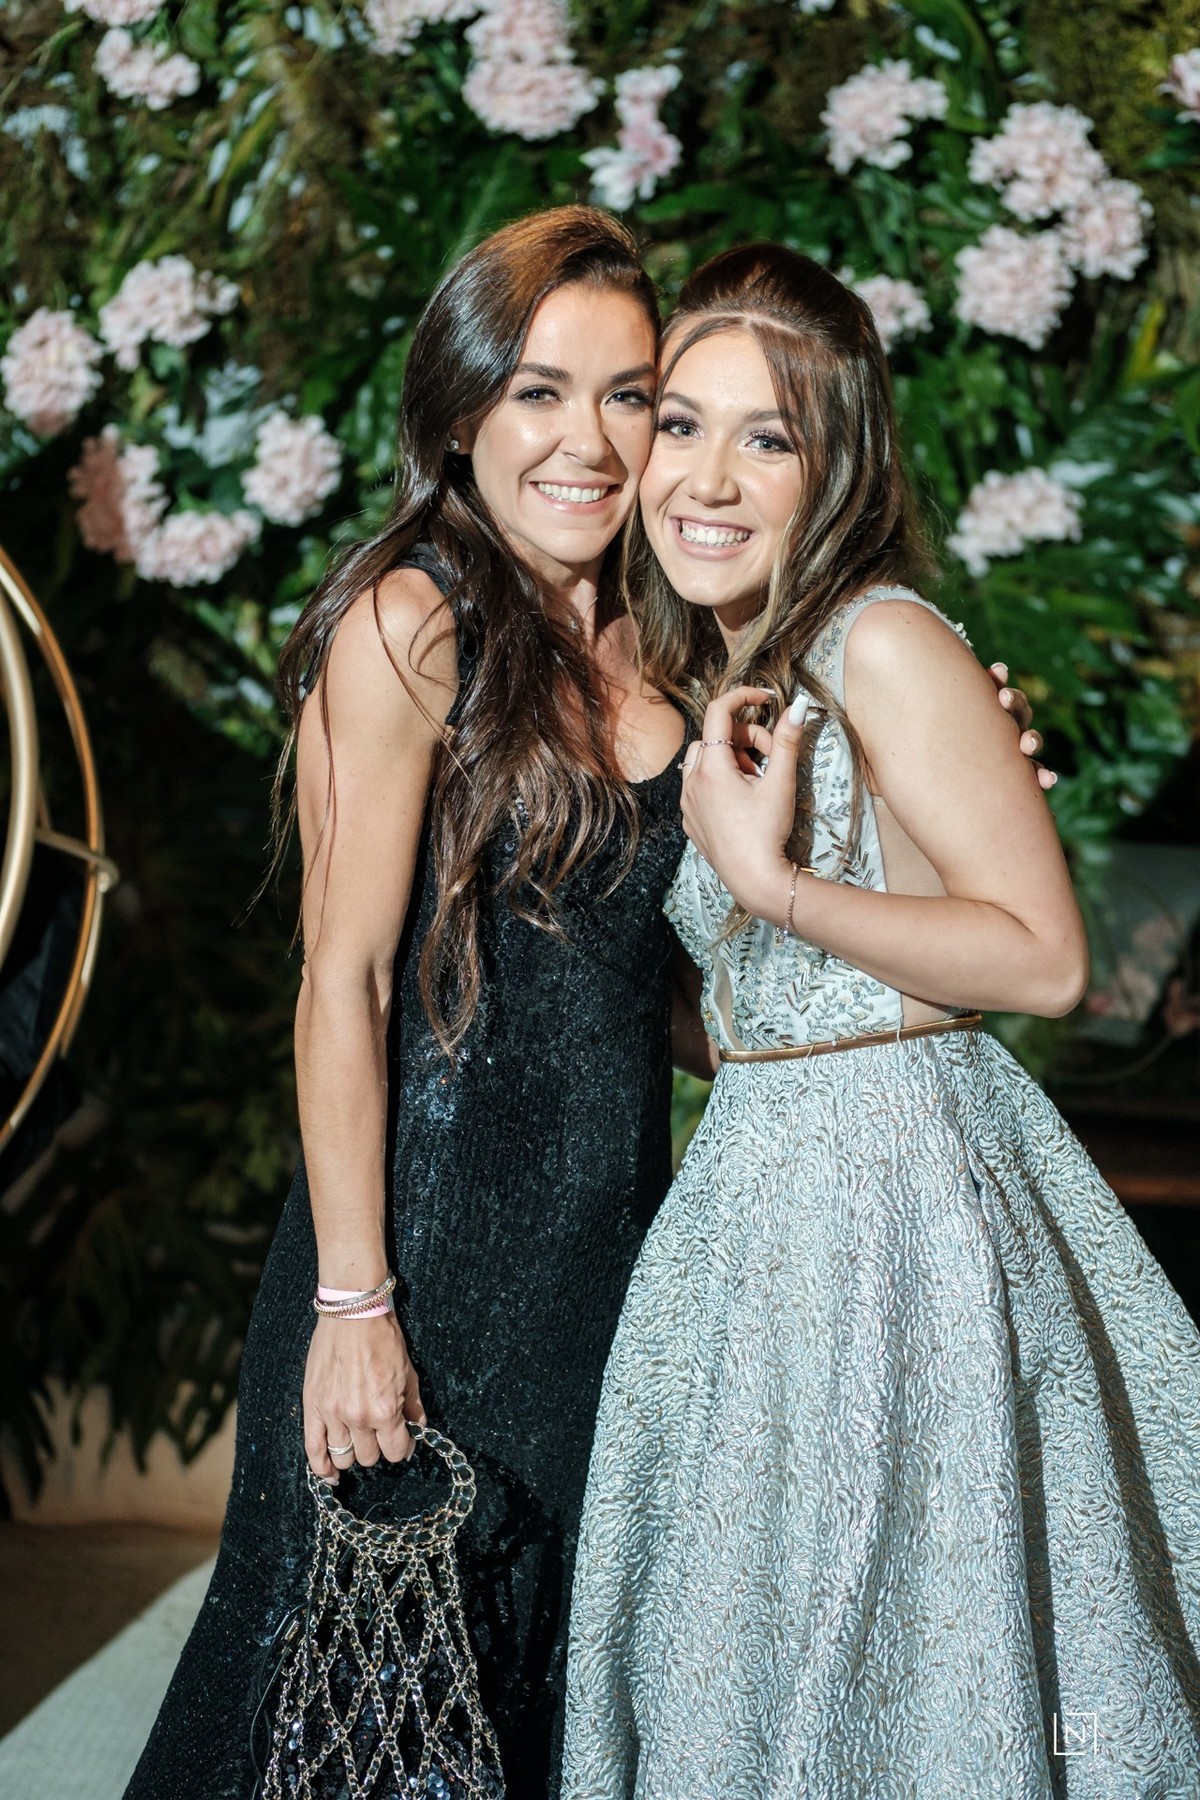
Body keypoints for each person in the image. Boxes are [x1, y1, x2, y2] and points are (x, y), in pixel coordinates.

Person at [122, 209, 1042, 1800]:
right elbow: (340, 982)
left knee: (542, 1705)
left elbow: (669, 997)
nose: (589, 441)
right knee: (344, 1706)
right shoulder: (413, 620)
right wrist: (354, 1307)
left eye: (631, 397)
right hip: (417, 1267)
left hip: (608, 1278)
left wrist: (936, 782)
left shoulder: (672, 642)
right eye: (538, 391)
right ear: (460, 408)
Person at [562, 245, 1200, 1799]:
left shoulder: (884, 639)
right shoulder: (720, 664)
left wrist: (772, 884)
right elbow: (758, 1019)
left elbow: (1043, 959)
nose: (707, 477)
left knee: (908, 1638)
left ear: (835, 463)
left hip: (901, 1202)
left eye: (766, 438)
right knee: (760, 1650)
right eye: (682, 424)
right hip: (757, 1202)